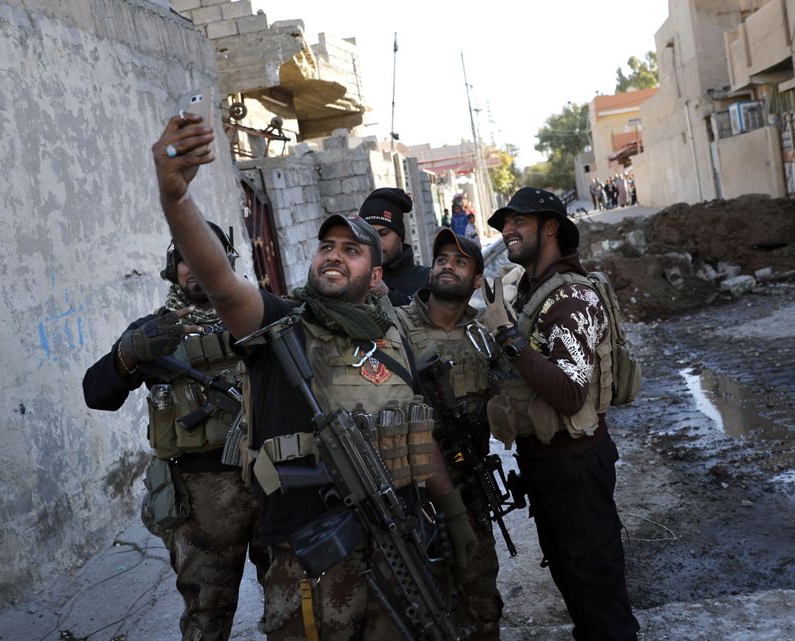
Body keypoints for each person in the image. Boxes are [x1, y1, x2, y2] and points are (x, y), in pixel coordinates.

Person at [150, 112, 476, 641]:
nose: (335, 256)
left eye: (352, 250)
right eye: (327, 246)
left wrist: (456, 516)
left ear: (375, 276)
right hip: (310, 559)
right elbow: (221, 283)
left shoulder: (393, 342)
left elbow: (418, 437)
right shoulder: (280, 326)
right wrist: (176, 201)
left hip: (398, 546)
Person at [82, 221, 269, 641]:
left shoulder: (260, 312)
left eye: (208, 253)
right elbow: (97, 393)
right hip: (199, 498)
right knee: (206, 617)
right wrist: (126, 356)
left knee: (290, 605)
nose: (197, 265)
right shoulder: (155, 332)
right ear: (173, 267)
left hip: (272, 479)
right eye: (186, 256)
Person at [481, 187, 639, 641]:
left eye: (519, 222)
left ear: (550, 227)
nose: (507, 230)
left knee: (598, 594)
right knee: (574, 584)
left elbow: (571, 393)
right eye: (504, 223)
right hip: (550, 466)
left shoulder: (570, 297)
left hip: (576, 468)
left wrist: (509, 338)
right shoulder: (536, 291)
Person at [395, 229, 502, 641]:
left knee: (479, 596)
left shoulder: (484, 335)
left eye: (460, 262)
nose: (447, 266)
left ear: (476, 280)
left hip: (470, 483)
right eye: (441, 258)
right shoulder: (397, 325)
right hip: (411, 490)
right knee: (417, 600)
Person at [358, 187, 430, 307]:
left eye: (383, 233)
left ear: (400, 235)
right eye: (369, 235)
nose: (376, 242)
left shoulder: (427, 279)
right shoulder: (356, 278)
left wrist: (387, 296)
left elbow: (433, 319)